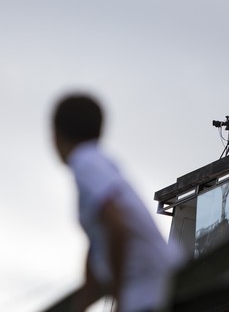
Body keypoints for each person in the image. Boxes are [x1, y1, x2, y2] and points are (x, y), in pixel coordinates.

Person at [52, 93, 182, 312]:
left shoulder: (85, 163)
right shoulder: (98, 161)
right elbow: (98, 241)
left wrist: (118, 294)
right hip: (154, 283)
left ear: (56, 134)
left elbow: (118, 228)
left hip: (148, 289)